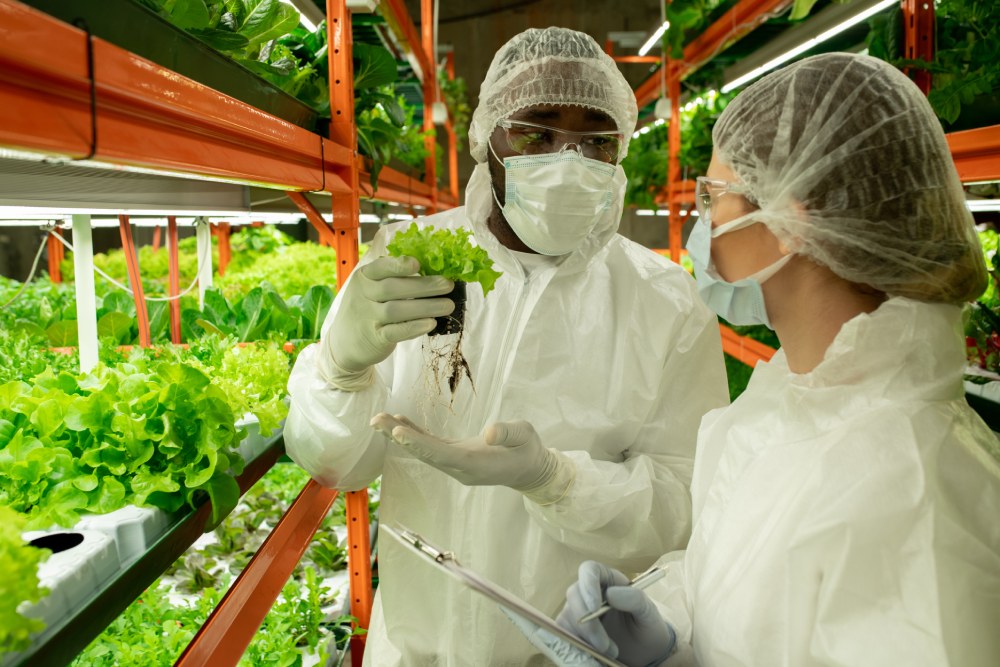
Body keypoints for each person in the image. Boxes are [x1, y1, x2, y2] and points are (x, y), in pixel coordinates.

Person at [284, 25, 729, 665]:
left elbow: (683, 505)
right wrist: (340, 369)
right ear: (486, 138)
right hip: (417, 649)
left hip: (570, 653)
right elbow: (338, 464)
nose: (567, 159)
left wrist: (556, 480)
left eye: (596, 141)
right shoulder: (408, 264)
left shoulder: (663, 301)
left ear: (620, 153)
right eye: (536, 131)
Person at [556, 52, 1000, 666]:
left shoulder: (911, 488)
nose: (701, 223)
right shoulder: (790, 407)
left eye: (713, 195)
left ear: (793, 219)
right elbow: (748, 604)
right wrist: (670, 639)